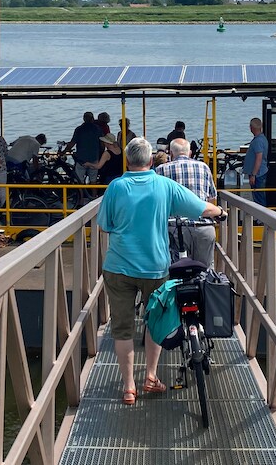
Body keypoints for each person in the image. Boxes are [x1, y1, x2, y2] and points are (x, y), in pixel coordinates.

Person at [97, 138, 225, 406]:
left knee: (122, 329)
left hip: (118, 267)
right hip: (154, 268)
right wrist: (220, 211)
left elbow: (104, 226)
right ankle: (151, 377)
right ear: (152, 160)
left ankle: (129, 388)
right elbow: (201, 207)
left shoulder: (115, 187)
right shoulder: (164, 185)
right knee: (154, 322)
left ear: (127, 160)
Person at [154, 138, 219, 267]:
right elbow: (212, 199)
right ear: (189, 152)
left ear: (171, 153)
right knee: (205, 272)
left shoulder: (160, 170)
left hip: (172, 228)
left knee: (174, 272)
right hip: (202, 227)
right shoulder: (204, 167)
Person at [71, 112, 103, 185]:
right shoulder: (98, 129)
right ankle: (94, 195)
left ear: (84, 119)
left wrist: (64, 151)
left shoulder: (79, 129)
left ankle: (81, 196)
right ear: (92, 119)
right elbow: (102, 144)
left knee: (79, 181)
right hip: (94, 158)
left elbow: (72, 143)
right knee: (93, 180)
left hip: (81, 159)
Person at [244, 117, 269, 206]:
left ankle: (261, 218)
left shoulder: (258, 141)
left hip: (258, 174)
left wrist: (253, 175)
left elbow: (259, 158)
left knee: (259, 197)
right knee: (258, 195)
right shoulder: (261, 139)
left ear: (251, 128)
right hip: (260, 173)